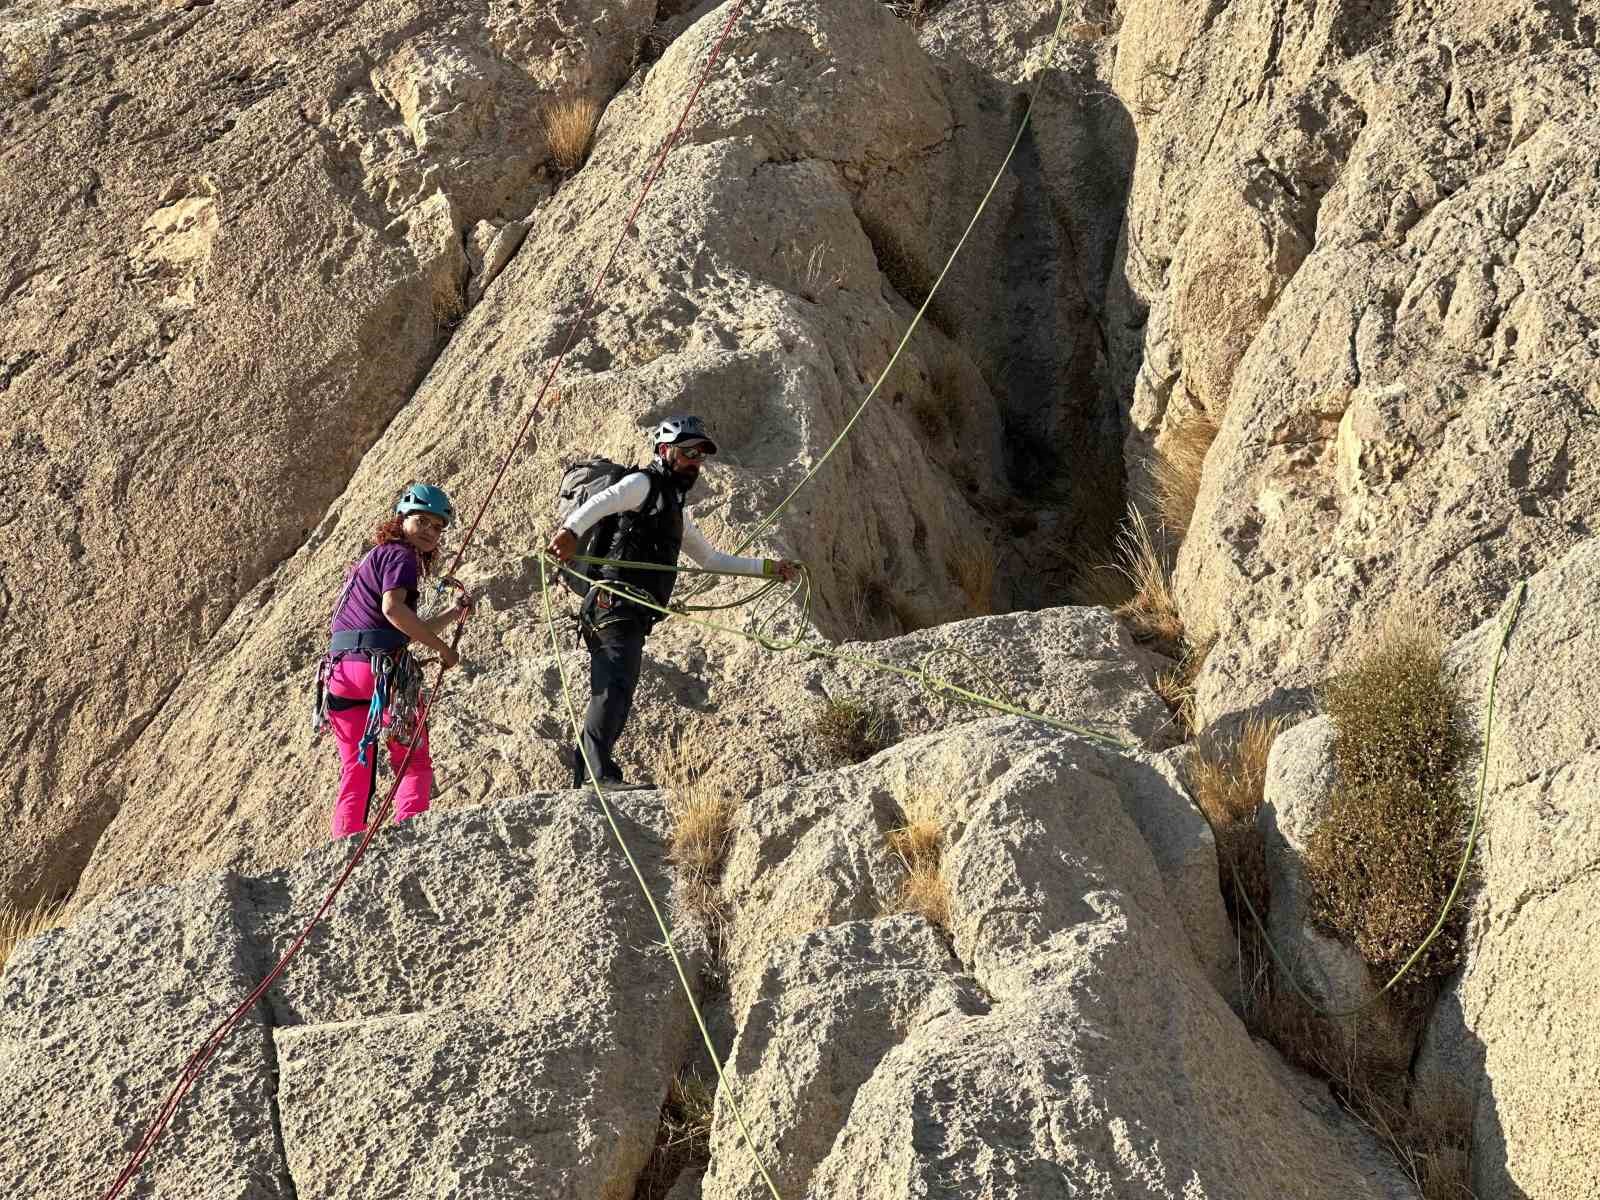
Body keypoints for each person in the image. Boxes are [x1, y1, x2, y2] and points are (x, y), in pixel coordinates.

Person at [546, 416, 798, 788]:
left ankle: (590, 775)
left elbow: (711, 560)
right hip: (612, 604)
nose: (695, 461)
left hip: (630, 612)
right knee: (614, 686)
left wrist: (769, 568)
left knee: (620, 688)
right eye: (688, 452)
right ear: (665, 451)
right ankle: (597, 776)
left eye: (700, 455)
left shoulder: (673, 510)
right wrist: (569, 533)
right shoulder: (643, 484)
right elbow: (602, 502)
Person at [321, 483, 472, 837]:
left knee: (356, 766)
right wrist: (443, 650)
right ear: (402, 519)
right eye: (422, 521)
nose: (431, 532)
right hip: (381, 673)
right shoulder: (402, 556)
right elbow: (393, 610)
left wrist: (452, 614)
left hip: (342, 673)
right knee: (412, 760)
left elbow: (401, 626)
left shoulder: (372, 560)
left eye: (438, 527)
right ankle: (410, 837)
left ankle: (344, 842)